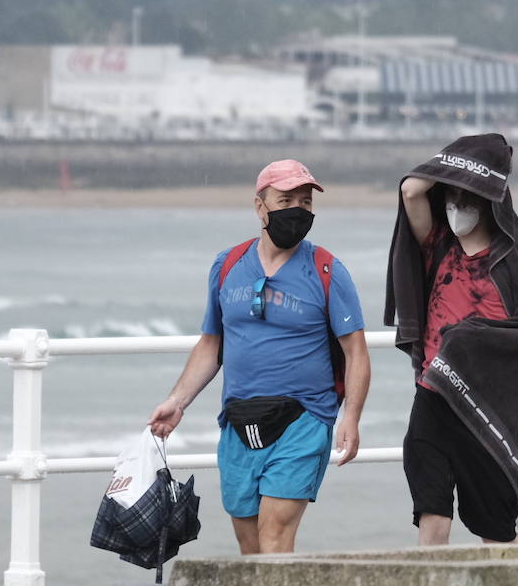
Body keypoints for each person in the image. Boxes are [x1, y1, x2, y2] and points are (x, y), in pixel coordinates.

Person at [147, 160, 370, 554]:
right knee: (250, 548)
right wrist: (177, 401)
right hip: (238, 422)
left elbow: (355, 351)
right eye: (285, 200)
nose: (297, 210)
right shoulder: (227, 265)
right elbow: (211, 344)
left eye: (305, 202)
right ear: (259, 206)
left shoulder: (327, 270)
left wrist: (350, 416)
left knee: (275, 534)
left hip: (303, 419)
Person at [386, 133, 518, 545]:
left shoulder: (515, 257)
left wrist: (469, 339)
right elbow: (411, 190)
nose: (456, 206)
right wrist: (462, 165)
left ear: (489, 201)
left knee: (497, 533)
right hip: (433, 395)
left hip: (485, 409)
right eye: (451, 196)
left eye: (467, 199)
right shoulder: (438, 245)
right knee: (433, 518)